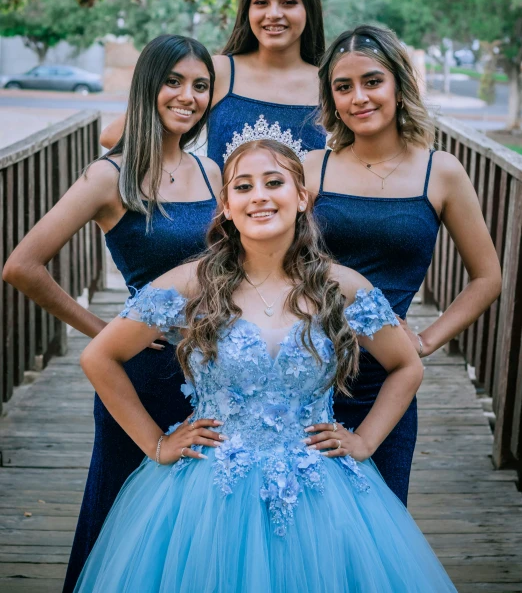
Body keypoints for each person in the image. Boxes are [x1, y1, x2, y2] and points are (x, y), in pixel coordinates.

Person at [73, 136, 456, 592]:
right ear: (227, 208)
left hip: (319, 489)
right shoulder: (194, 283)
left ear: (301, 198)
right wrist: (156, 443)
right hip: (209, 492)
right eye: (243, 186)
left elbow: (407, 366)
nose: (259, 196)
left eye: (274, 182)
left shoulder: (342, 287)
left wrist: (366, 440)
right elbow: (100, 356)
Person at [2, 35, 222, 593]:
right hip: (142, 375)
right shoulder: (111, 177)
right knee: (116, 516)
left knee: (197, 527)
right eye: (174, 81)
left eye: (200, 86)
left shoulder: (214, 172)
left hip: (216, 373)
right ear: (148, 85)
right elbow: (22, 266)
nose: (188, 96)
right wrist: (105, 330)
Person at [305, 24, 502, 505]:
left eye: (372, 81)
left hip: (386, 379)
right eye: (343, 87)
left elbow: (487, 278)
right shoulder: (312, 168)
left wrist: (426, 340)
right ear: (332, 99)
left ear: (398, 83)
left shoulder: (442, 172)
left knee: (379, 519)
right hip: (301, 370)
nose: (359, 98)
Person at [100, 0, 327, 168]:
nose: (274, 13)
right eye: (261, 2)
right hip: (219, 210)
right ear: (247, 9)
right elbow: (114, 136)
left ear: (309, 8)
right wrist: (194, 176)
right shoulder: (220, 71)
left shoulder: (329, 83)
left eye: (289, 2)